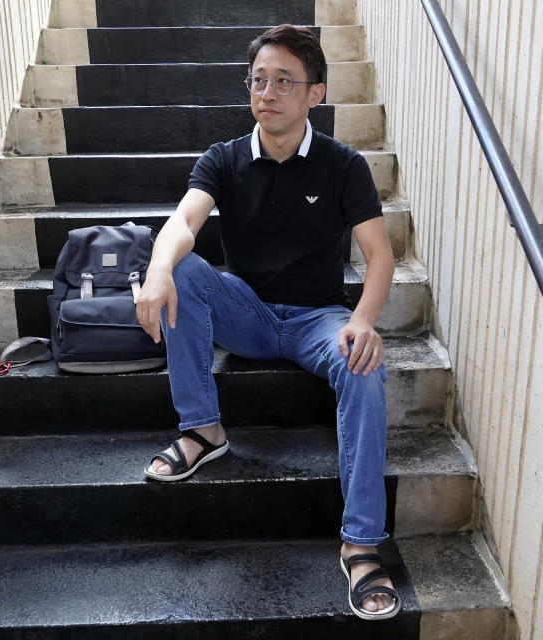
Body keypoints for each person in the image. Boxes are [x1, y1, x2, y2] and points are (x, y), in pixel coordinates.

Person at [135, 24, 400, 621]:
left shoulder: (343, 164)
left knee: (365, 365)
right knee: (183, 267)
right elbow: (184, 222)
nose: (268, 92)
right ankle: (203, 429)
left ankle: (360, 543)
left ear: (316, 94)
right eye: (259, 80)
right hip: (247, 310)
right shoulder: (224, 159)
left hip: (318, 319)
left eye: (284, 81)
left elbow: (380, 255)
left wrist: (363, 320)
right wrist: (158, 268)